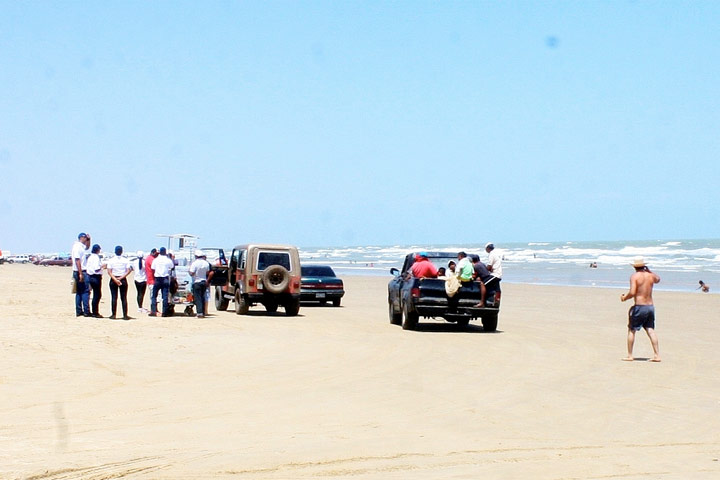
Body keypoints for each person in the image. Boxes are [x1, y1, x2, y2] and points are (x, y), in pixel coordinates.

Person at [620, 256, 661, 362]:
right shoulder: (650, 276)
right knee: (650, 330)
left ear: (634, 267)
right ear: (644, 266)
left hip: (640, 306)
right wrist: (650, 271)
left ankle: (630, 355)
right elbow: (658, 280)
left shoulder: (634, 276)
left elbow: (633, 292)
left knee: (632, 330)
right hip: (650, 306)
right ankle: (657, 355)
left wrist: (625, 298)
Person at [106, 246, 132, 320]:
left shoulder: (111, 260)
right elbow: (128, 270)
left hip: (114, 279)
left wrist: (115, 279)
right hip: (122, 279)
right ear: (122, 251)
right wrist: (120, 278)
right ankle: (125, 315)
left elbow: (109, 271)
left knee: (114, 297)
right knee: (123, 298)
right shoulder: (125, 260)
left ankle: (113, 314)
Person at [189, 249, 214, 318]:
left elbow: (191, 272)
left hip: (197, 281)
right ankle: (203, 311)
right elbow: (208, 272)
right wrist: (207, 280)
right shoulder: (206, 263)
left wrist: (189, 272)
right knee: (203, 297)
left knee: (198, 298)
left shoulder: (195, 263)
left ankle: (199, 312)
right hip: (204, 281)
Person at [71, 232, 91, 317]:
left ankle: (80, 311)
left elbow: (87, 247)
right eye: (85, 238)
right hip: (80, 271)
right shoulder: (77, 247)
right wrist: (80, 274)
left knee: (79, 292)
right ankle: (86, 311)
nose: (86, 240)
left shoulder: (81, 247)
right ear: (81, 238)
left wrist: (89, 239)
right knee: (85, 291)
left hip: (79, 271)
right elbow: (77, 260)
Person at [150, 247, 174, 317]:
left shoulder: (156, 260)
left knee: (154, 295)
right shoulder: (167, 260)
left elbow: (152, 268)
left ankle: (154, 311)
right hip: (165, 278)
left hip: (157, 278)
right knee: (165, 296)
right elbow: (172, 266)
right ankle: (165, 312)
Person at [85, 244, 104, 318]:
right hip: (95, 277)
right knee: (97, 294)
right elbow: (96, 268)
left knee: (94, 294)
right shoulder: (96, 257)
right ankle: (95, 312)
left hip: (90, 276)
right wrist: (103, 266)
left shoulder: (90, 257)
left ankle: (93, 311)